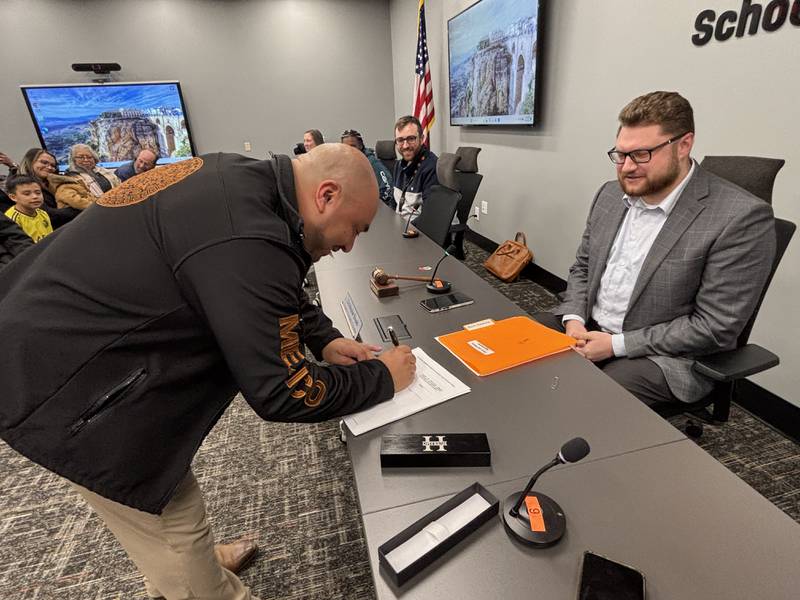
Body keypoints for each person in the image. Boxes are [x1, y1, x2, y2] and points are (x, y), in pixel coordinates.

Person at [0, 144, 416, 600]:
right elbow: (286, 393)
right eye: (354, 228)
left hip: (60, 337)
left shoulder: (240, 180)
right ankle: (196, 580)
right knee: (170, 513)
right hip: (62, 379)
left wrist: (323, 337)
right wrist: (383, 378)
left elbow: (268, 281)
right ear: (327, 195)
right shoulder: (246, 237)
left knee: (170, 516)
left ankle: (188, 564)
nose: (350, 244)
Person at [539, 91, 775, 406]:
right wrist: (574, 319)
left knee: (587, 401)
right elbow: (583, 267)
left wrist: (615, 346)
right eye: (620, 155)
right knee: (510, 350)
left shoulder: (740, 217)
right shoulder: (609, 196)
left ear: (684, 145)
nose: (626, 168)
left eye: (641, 155)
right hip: (588, 327)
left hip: (665, 357)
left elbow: (714, 327)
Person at [17, 148, 80, 228]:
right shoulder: (22, 184)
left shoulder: (51, 183)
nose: (49, 167)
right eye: (44, 162)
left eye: (53, 165)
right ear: (30, 162)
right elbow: (48, 214)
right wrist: (80, 208)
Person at [391, 115, 438, 216]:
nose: (405, 145)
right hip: (399, 225)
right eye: (400, 140)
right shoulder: (398, 166)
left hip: (419, 230)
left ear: (421, 139)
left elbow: (430, 217)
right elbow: (393, 204)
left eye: (411, 139)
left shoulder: (432, 167)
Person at [341, 129, 393, 207]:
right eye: (345, 147)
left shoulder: (371, 162)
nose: (349, 150)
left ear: (361, 146)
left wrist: (375, 206)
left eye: (353, 146)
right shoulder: (345, 163)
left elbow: (388, 189)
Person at [3, 174, 53, 243]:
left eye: (38, 193)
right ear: (13, 197)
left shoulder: (43, 213)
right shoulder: (10, 219)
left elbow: (51, 238)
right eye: (27, 194)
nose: (35, 197)